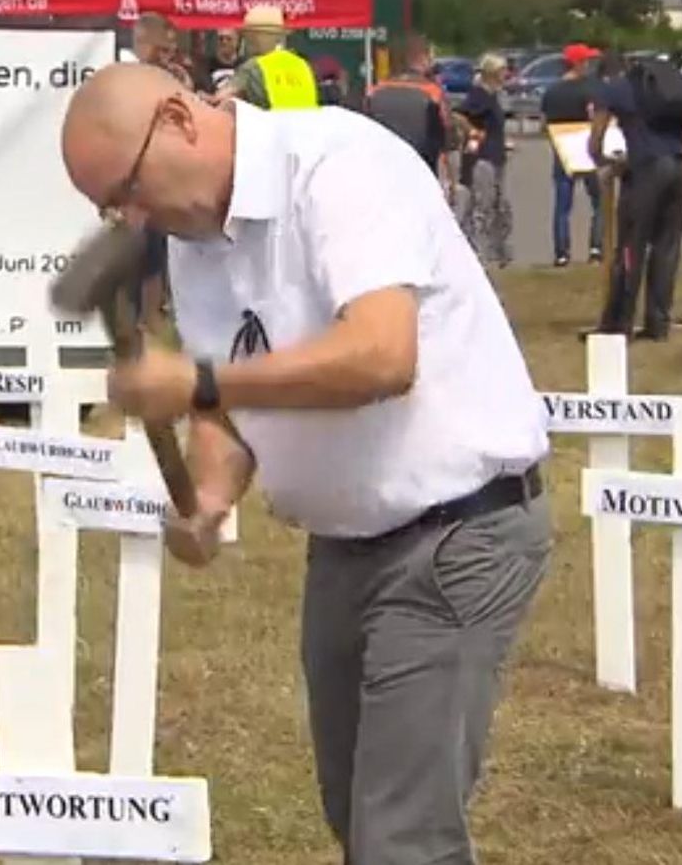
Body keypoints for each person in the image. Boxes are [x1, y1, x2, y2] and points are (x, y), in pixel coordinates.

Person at [60, 63, 553, 865]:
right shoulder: (194, 241)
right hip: (347, 543)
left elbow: (382, 355)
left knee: (402, 838)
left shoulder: (338, 166)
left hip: (457, 530)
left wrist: (198, 381)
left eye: (129, 188)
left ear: (179, 119)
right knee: (353, 810)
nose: (132, 218)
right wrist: (210, 494)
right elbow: (231, 406)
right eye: (110, 207)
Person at [589, 50, 682, 340]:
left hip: (647, 169)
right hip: (679, 163)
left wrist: (604, 161)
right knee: (666, 247)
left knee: (631, 245)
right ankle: (658, 323)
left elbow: (596, 139)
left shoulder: (613, 88)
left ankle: (619, 322)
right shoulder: (658, 88)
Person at [540, 43, 604, 268]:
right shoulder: (591, 89)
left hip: (562, 149)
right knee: (599, 201)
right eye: (586, 61)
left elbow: (544, 123)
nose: (589, 65)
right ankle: (596, 249)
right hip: (587, 148)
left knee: (563, 205)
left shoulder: (552, 91)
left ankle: (562, 253)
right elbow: (596, 116)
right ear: (578, 63)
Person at [364, 33, 454, 187]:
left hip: (382, 171)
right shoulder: (433, 92)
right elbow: (447, 135)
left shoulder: (374, 91)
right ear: (421, 58)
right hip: (422, 172)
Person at [455, 53, 514, 268]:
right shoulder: (479, 95)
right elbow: (459, 114)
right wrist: (472, 131)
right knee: (483, 205)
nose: (506, 74)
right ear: (493, 72)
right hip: (483, 157)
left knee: (500, 205)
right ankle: (477, 251)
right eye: (503, 70)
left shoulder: (494, 96)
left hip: (497, 155)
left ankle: (498, 251)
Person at [224, 5, 319, 110]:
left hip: (272, 120)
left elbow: (222, 97)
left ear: (253, 37)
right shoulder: (303, 65)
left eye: (247, 36)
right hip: (308, 120)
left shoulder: (254, 67)